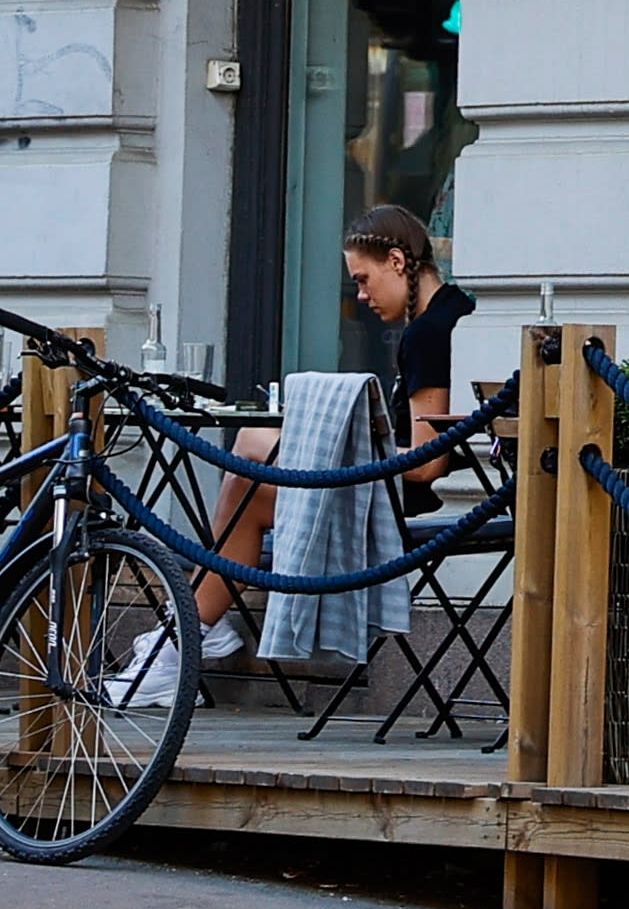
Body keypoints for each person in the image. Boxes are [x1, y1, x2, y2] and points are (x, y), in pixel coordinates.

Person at [185, 208, 471, 659]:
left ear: (397, 261)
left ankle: (187, 631)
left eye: (362, 279)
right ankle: (196, 623)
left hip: (402, 506)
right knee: (251, 445)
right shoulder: (453, 311)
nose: (360, 296)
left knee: (245, 485)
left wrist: (345, 450)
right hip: (395, 492)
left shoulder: (429, 333)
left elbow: (427, 463)